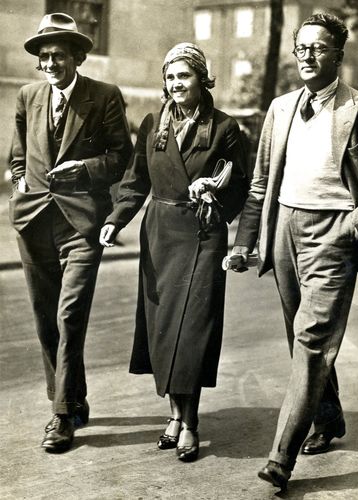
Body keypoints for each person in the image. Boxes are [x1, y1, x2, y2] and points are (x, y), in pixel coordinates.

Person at [228, 13, 358, 491]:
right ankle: (328, 419)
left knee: (310, 342)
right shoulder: (280, 108)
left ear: (338, 55)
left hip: (335, 234)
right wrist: (245, 241)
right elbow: (261, 183)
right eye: (300, 47)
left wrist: (347, 228)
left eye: (319, 48)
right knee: (298, 336)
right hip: (285, 226)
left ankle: (280, 458)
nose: (307, 55)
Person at [100, 42, 248, 462]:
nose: (176, 83)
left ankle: (191, 422)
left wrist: (215, 196)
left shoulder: (224, 128)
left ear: (202, 79)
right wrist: (116, 219)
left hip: (203, 234)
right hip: (160, 235)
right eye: (170, 77)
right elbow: (135, 180)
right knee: (164, 329)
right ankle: (174, 416)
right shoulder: (153, 123)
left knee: (192, 332)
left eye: (184, 76)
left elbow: (240, 186)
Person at [9, 13, 133, 453]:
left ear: (78, 56)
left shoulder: (103, 96)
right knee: (46, 319)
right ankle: (72, 399)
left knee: (69, 315)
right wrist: (19, 180)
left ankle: (61, 417)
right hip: (33, 221)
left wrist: (85, 167)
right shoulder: (28, 96)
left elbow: (122, 157)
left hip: (81, 223)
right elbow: (18, 153)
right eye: (43, 57)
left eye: (58, 55)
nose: (49, 64)